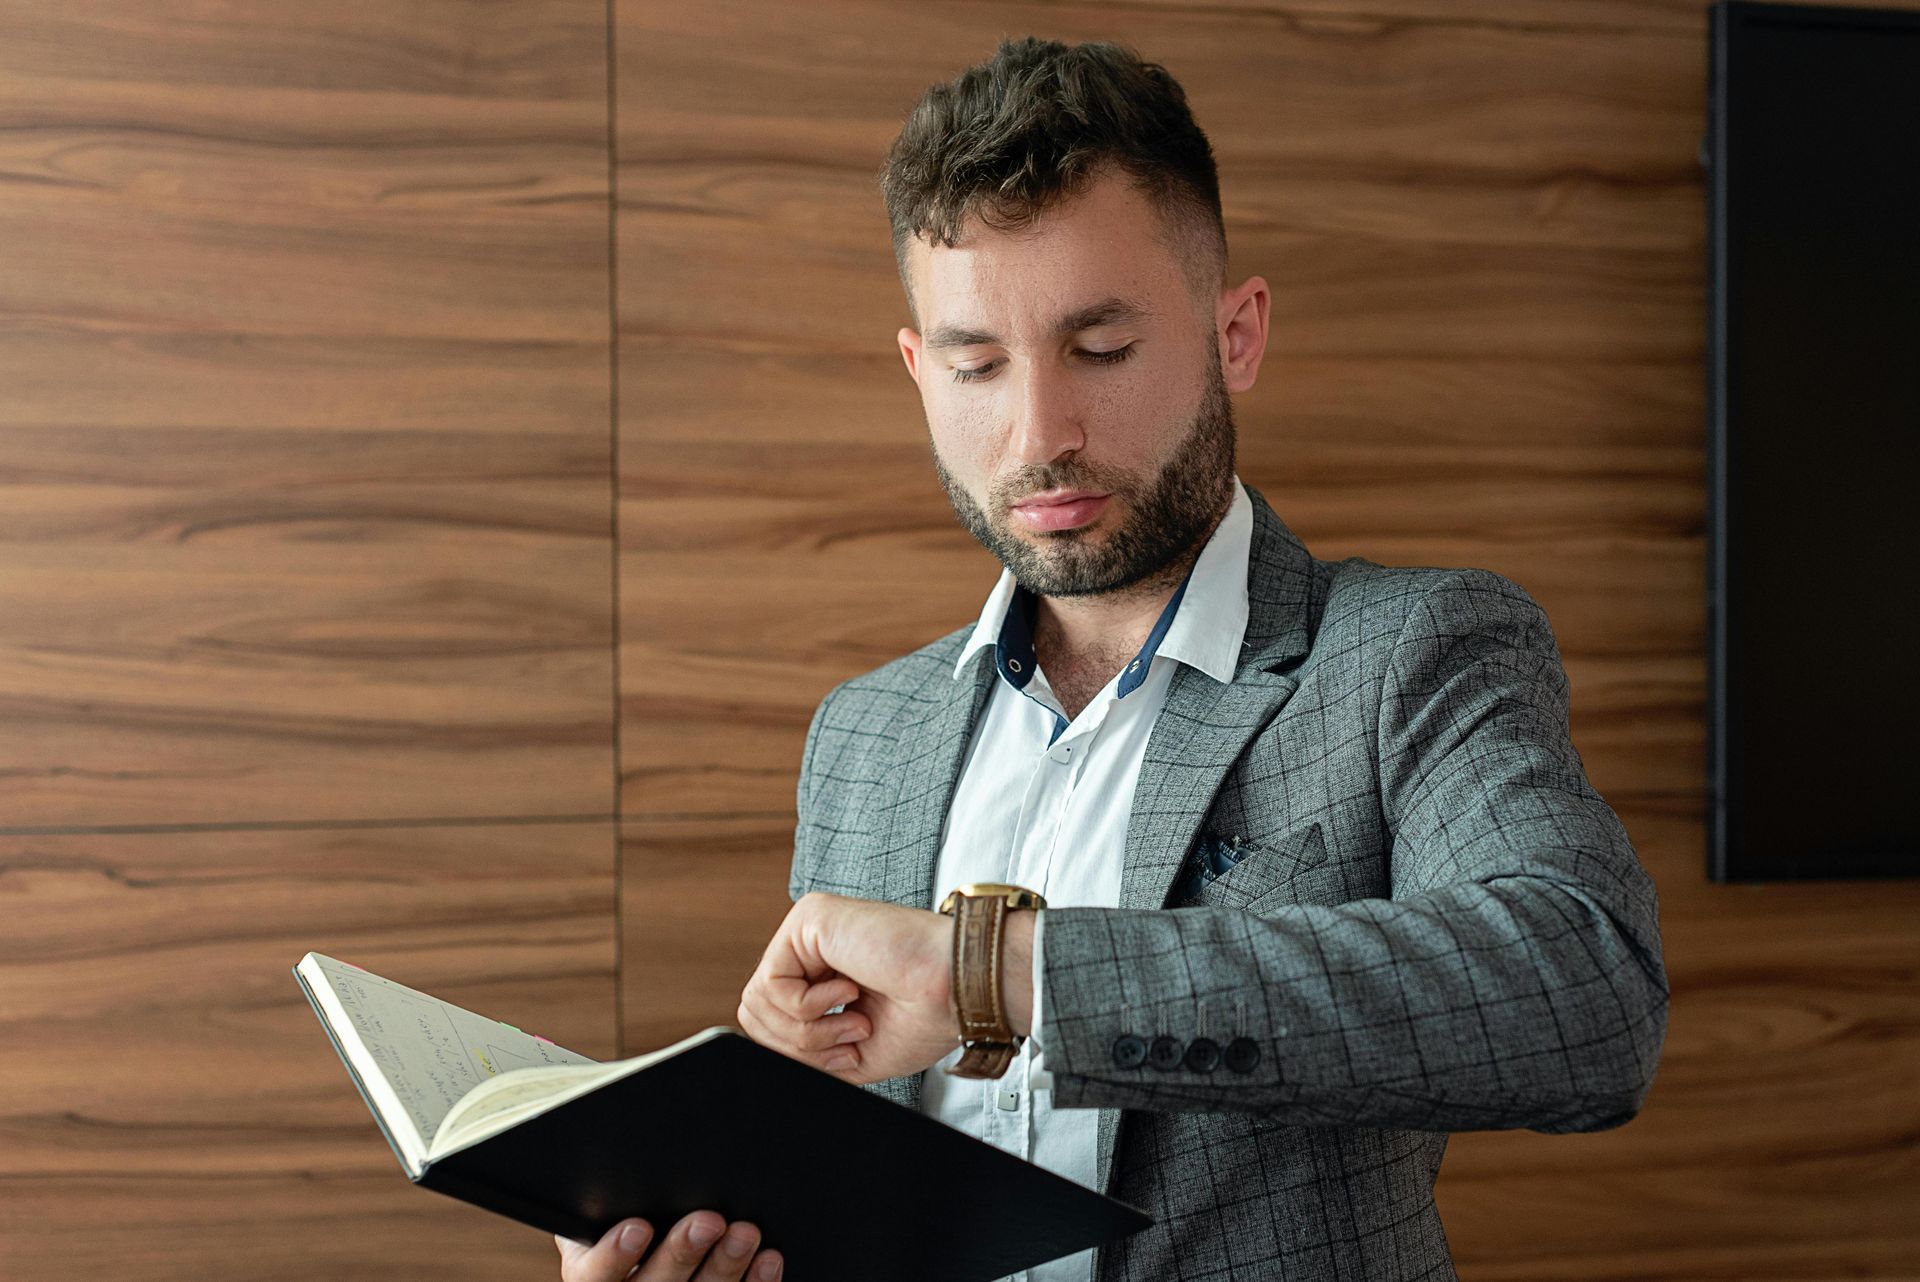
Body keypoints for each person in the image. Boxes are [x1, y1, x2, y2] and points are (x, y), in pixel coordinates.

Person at [558, 35, 1668, 1282]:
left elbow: (1586, 995)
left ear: (1234, 334)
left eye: (1102, 350)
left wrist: (996, 974)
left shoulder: (1413, 653)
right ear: (921, 373)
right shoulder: (861, 736)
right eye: (978, 363)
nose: (1041, 432)